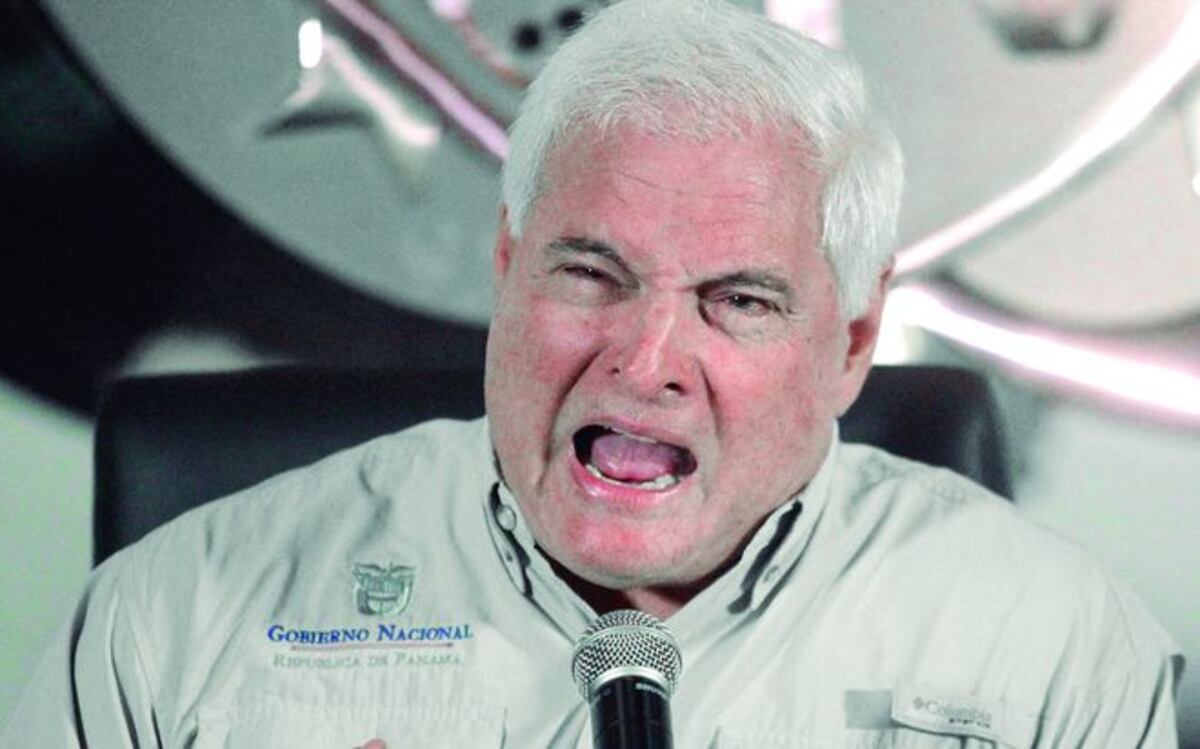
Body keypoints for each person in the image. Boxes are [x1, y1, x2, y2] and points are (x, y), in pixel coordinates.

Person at [2, 0, 1183, 746]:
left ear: (854, 341)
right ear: (507, 267)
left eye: (738, 300)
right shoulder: (176, 620)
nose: (646, 360)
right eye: (589, 275)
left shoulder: (1049, 647)